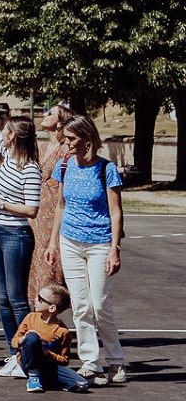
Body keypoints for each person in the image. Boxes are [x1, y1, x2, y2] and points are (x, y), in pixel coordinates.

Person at [49, 115, 126, 384]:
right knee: (81, 305)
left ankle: (115, 361)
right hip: (70, 242)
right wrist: (51, 242)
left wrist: (114, 249)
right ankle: (91, 362)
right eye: (65, 138)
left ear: (87, 138)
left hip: (100, 243)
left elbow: (116, 212)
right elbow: (60, 206)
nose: (66, 143)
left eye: (71, 139)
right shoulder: (65, 165)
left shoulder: (106, 169)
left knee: (100, 303)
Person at [0, 71, 43, 379]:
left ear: (14, 136)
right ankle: (14, 352)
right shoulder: (6, 154)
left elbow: (31, 209)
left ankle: (28, 354)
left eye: (6, 131)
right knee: (2, 298)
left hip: (16, 235)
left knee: (17, 299)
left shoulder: (30, 169)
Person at [12, 284, 90, 393]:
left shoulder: (62, 332)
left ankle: (49, 382)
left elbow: (64, 360)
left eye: (40, 299)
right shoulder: (31, 317)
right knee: (32, 338)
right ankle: (33, 376)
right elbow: (14, 342)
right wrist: (25, 338)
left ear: (52, 308)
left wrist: (46, 352)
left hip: (49, 366)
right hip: (27, 364)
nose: (35, 299)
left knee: (82, 384)